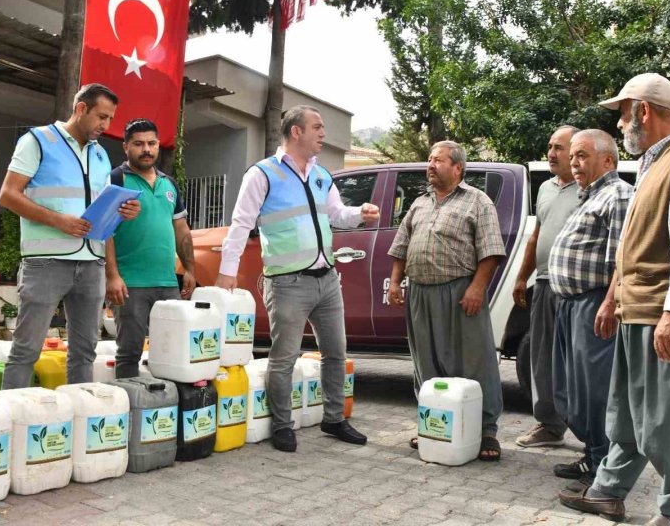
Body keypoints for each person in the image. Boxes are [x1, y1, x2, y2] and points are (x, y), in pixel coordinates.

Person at [559, 73, 670, 526]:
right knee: (628, 416)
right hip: (640, 311)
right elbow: (635, 244)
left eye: (623, 113)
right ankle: (608, 491)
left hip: (669, 315)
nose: (621, 123)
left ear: (644, 111)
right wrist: (616, 300)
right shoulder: (654, 163)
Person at [214, 105, 380, 453]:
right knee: (284, 357)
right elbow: (241, 224)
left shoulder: (321, 175)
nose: (323, 133)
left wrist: (359, 214)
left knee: (335, 353)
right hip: (288, 282)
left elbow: (337, 215)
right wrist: (227, 271)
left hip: (327, 279)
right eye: (317, 127)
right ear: (296, 132)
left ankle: (334, 419)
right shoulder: (262, 174)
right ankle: (281, 425)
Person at [0, 83, 140, 389]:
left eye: (111, 118)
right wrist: (58, 221)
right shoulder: (38, 140)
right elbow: (8, 195)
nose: (106, 125)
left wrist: (122, 212)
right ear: (81, 108)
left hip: (92, 265)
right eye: (102, 116)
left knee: (84, 353)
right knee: (26, 350)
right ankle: (11, 414)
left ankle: (79, 413)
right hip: (46, 263)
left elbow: (102, 215)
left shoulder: (100, 154)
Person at [387, 140, 507, 461]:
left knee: (474, 360)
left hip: (460, 293)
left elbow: (491, 251)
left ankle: (486, 431)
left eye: (438, 160)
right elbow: (401, 247)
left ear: (457, 168)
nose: (430, 165)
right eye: (429, 159)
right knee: (425, 362)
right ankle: (433, 424)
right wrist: (395, 282)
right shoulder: (419, 203)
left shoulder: (477, 201)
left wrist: (477, 288)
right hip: (420, 293)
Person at [546, 130, 632, 484]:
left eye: (582, 155)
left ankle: (601, 464)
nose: (574, 163)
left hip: (595, 303)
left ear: (608, 160)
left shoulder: (618, 194)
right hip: (570, 304)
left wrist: (609, 303)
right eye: (573, 156)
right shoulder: (589, 195)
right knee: (573, 389)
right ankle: (592, 454)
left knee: (594, 389)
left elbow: (622, 261)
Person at [105, 118, 197, 378]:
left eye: (151, 143)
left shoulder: (169, 184)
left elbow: (181, 229)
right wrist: (112, 275)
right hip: (130, 283)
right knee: (129, 353)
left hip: (167, 283)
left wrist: (189, 269)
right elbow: (104, 230)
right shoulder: (116, 179)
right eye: (138, 144)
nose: (146, 149)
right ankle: (129, 401)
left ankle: (162, 402)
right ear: (126, 147)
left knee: (172, 352)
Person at [514, 126, 580, 448]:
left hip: (577, 289)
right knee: (541, 358)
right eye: (550, 147)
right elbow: (536, 237)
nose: (551, 153)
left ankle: (591, 434)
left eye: (559, 148)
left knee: (578, 360)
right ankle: (550, 426)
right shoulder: (545, 189)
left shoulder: (588, 189)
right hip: (543, 284)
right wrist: (521, 276)